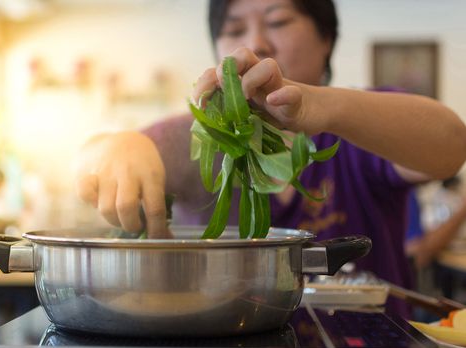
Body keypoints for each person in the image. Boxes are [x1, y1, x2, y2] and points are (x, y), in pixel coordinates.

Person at [75, 0, 466, 317]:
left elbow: (450, 146)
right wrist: (120, 145)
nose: (256, 43)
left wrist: (319, 104)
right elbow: (94, 159)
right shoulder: (195, 137)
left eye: (278, 21)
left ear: (326, 38)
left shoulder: (359, 124)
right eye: (233, 29)